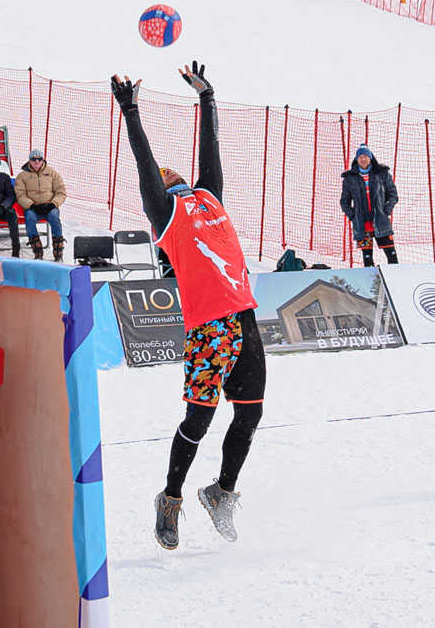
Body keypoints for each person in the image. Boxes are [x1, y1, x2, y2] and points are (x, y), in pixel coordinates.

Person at [112, 63, 262, 551]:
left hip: (244, 318)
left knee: (249, 415)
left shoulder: (209, 197)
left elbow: (210, 152)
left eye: (170, 172)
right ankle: (170, 499)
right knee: (199, 421)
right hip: (210, 329)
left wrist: (207, 98)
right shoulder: (167, 214)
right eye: (163, 176)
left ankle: (221, 492)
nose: (168, 173)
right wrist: (131, 110)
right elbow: (142, 161)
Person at [338, 145, 399, 266]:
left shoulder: (381, 173)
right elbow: (344, 201)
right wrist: (353, 216)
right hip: (361, 222)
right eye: (360, 157)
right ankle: (371, 281)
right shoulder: (350, 178)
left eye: (365, 156)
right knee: (367, 257)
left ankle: (395, 278)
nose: (363, 159)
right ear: (356, 159)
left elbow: (393, 195)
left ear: (370, 158)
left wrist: (386, 211)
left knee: (390, 252)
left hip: (380, 220)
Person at [15, 150, 66, 261]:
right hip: (33, 207)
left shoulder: (52, 173)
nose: (37, 162)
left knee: (54, 218)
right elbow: (20, 195)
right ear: (30, 160)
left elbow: (61, 192)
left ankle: (58, 251)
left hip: (50, 206)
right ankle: (37, 250)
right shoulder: (22, 176)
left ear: (43, 160)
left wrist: (53, 204)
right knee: (30, 218)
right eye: (34, 159)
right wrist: (31, 205)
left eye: (39, 159)